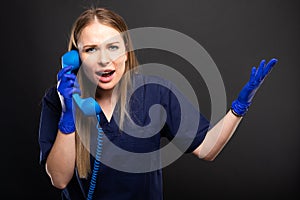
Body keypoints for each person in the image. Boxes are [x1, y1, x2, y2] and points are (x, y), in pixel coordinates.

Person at [38, 7, 278, 200]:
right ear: (75, 58)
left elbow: (207, 149)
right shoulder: (57, 99)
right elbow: (59, 179)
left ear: (126, 51)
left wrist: (240, 106)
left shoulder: (155, 92)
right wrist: (68, 118)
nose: (104, 59)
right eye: (91, 49)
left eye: (113, 46)